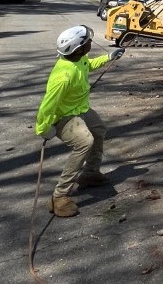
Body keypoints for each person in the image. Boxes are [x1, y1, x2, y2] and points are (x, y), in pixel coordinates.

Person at [35, 25, 124, 217]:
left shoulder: (78, 58)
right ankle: (59, 197)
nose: (91, 42)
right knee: (84, 142)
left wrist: (109, 57)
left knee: (98, 129)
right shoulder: (64, 77)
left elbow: (88, 65)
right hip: (63, 116)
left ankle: (90, 173)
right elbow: (47, 106)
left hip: (80, 109)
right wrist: (44, 128)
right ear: (78, 48)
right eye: (87, 41)